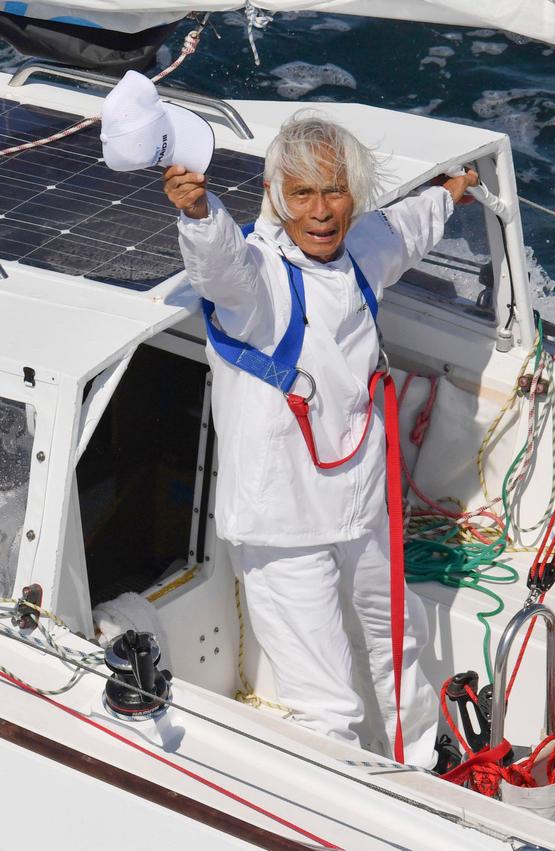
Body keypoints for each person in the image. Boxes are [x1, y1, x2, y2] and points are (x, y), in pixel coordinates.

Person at [165, 112, 478, 768]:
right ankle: (356, 809)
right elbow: (220, 268)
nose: (321, 210)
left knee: (401, 639)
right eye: (302, 193)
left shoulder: (362, 251)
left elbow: (405, 230)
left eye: (335, 191)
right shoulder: (256, 281)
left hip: (360, 501)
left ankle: (424, 760)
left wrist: (451, 191)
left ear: (354, 195)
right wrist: (200, 215)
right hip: (283, 525)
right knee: (326, 701)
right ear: (275, 195)